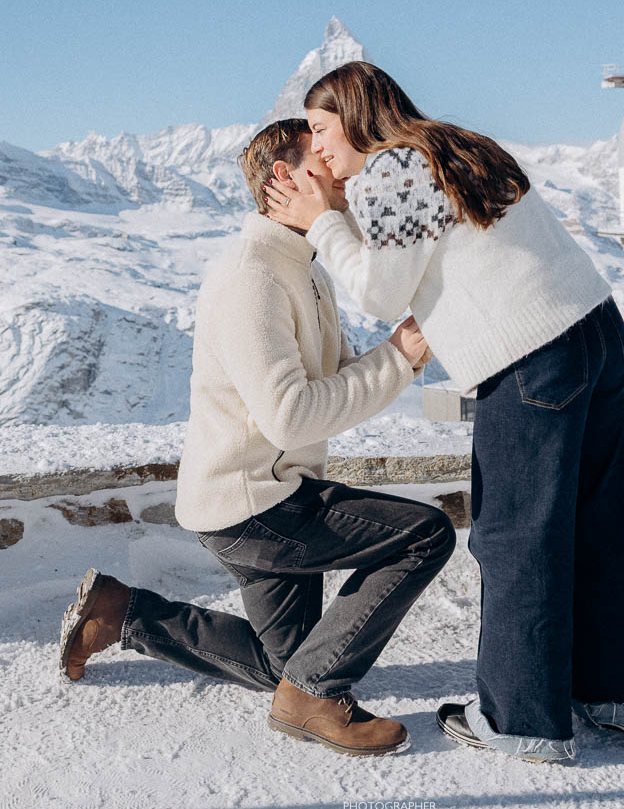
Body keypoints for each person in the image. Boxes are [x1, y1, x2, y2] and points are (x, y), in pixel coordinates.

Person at [264, 62, 624, 762]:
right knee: (604, 524)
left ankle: (522, 723)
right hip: (595, 334)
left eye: (324, 129)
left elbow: (381, 293)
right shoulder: (457, 145)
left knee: (519, 539)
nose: (320, 147)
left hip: (531, 358)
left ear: (357, 115)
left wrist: (322, 221)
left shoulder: (392, 169)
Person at [59, 118, 456, 757]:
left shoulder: (305, 266)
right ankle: (317, 703)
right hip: (256, 506)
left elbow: (332, 384)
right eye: (325, 163)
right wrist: (399, 359)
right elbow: (294, 416)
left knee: (289, 668)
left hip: (263, 494)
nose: (346, 176)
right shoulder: (254, 276)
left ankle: (121, 612)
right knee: (425, 534)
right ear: (285, 177)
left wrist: (396, 353)